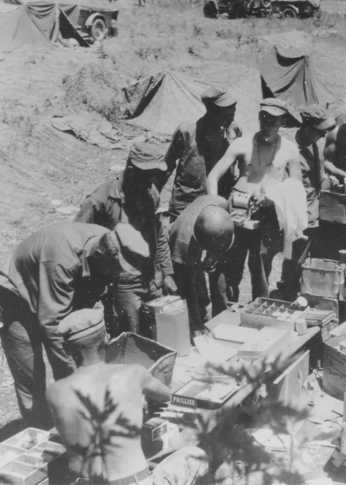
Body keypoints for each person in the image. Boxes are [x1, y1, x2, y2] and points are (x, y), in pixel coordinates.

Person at [0, 222, 149, 426]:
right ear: (102, 256)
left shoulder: (109, 241)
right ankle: (40, 429)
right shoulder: (63, 259)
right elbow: (53, 327)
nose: (116, 276)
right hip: (17, 294)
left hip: (56, 290)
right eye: (115, 270)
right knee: (31, 375)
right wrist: (76, 381)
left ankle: (72, 420)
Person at [46, 308, 206, 484]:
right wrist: (196, 402)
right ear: (107, 338)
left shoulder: (54, 392)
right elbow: (171, 398)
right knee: (196, 455)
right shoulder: (133, 373)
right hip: (133, 481)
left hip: (86, 481)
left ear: (67, 350)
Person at [207, 98, 304, 301]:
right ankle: (228, 308)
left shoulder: (289, 149)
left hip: (268, 213)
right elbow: (213, 176)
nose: (268, 124)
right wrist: (215, 205)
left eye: (274, 120)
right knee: (233, 261)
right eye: (265, 118)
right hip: (238, 211)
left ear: (282, 122)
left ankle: (258, 308)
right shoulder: (241, 144)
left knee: (260, 265)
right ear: (259, 117)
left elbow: (296, 185)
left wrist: (273, 197)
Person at [75, 142, 176, 336]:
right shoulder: (100, 200)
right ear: (130, 168)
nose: (150, 180)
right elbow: (77, 242)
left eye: (153, 174)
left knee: (160, 331)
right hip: (122, 281)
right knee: (131, 335)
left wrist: (167, 272)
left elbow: (159, 233)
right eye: (145, 174)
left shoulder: (150, 193)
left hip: (151, 277)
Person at [276, 105, 336, 299]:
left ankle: (300, 289)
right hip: (295, 211)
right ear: (308, 128)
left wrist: (329, 180)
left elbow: (319, 175)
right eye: (320, 132)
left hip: (314, 208)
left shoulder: (315, 145)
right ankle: (288, 291)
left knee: (306, 255)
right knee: (292, 254)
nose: (323, 136)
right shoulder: (287, 147)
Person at [165, 89, 242, 220]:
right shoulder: (187, 131)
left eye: (233, 112)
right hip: (186, 201)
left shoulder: (233, 132)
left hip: (220, 200)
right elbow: (168, 164)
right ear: (211, 111)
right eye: (226, 114)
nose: (231, 117)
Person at [169, 195, 235, 332]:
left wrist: (214, 257)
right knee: (189, 287)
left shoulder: (221, 204)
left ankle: (219, 314)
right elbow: (189, 290)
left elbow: (222, 242)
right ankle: (196, 323)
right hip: (182, 249)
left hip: (205, 232)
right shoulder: (183, 242)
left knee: (214, 273)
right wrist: (198, 327)